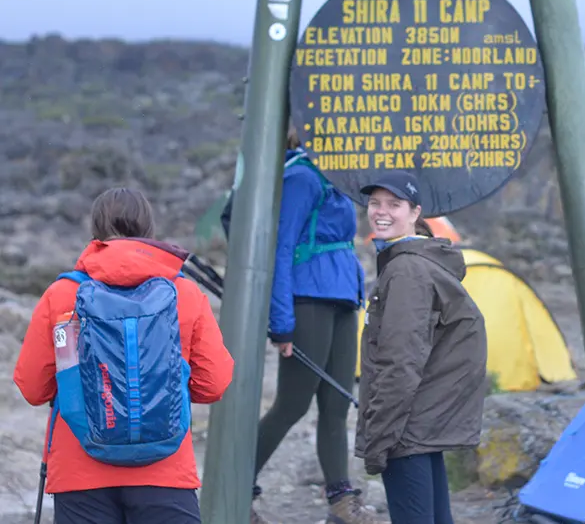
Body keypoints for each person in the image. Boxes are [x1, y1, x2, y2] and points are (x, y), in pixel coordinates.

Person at [13, 187, 234, 523]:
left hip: (79, 479)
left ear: (96, 230)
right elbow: (214, 384)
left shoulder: (62, 295)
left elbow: (32, 387)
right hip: (166, 476)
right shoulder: (185, 294)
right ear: (148, 230)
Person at [250, 126, 373, 524]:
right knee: (292, 405)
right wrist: (281, 322)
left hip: (341, 299)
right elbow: (282, 247)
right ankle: (235, 485)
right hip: (308, 301)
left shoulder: (335, 177)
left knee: (337, 406)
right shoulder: (301, 177)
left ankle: (341, 503)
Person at [355, 171, 488, 524]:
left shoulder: (406, 271)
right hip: (422, 424)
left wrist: (379, 439)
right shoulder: (415, 261)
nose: (381, 212)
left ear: (415, 212)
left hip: (406, 427)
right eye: (375, 203)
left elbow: (400, 363)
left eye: (394, 204)